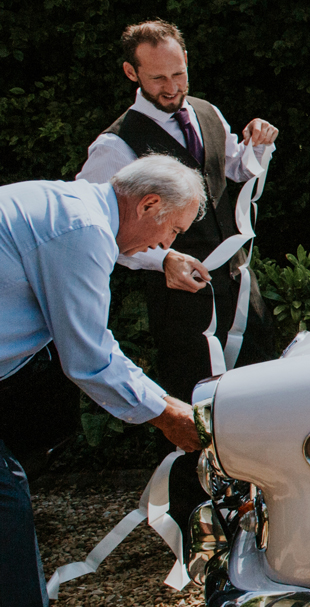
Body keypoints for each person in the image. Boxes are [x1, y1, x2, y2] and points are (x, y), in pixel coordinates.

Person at [1, 156, 203, 607]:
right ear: (145, 206)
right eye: (171, 230)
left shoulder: (73, 207)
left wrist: (161, 257)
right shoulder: (81, 231)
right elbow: (88, 354)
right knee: (6, 511)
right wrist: (168, 413)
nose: (166, 243)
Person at [76, 22, 280, 403]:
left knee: (262, 388)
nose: (171, 88)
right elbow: (92, 225)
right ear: (131, 73)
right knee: (198, 401)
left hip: (239, 286)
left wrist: (258, 141)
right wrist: (163, 259)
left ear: (186, 59)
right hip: (182, 302)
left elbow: (233, 168)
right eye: (157, 79)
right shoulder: (114, 145)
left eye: (178, 73)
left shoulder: (208, 112)